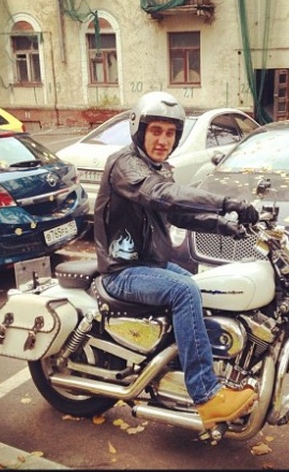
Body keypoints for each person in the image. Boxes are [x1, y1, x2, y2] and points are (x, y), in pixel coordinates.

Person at [93, 90, 259, 429]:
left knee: (201, 286)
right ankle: (206, 395)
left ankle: (179, 374)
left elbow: (178, 214)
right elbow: (161, 195)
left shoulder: (158, 168)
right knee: (185, 291)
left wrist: (225, 226)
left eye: (170, 133)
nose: (163, 140)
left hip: (150, 265)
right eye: (156, 131)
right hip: (123, 270)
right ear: (139, 130)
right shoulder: (125, 165)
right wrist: (227, 202)